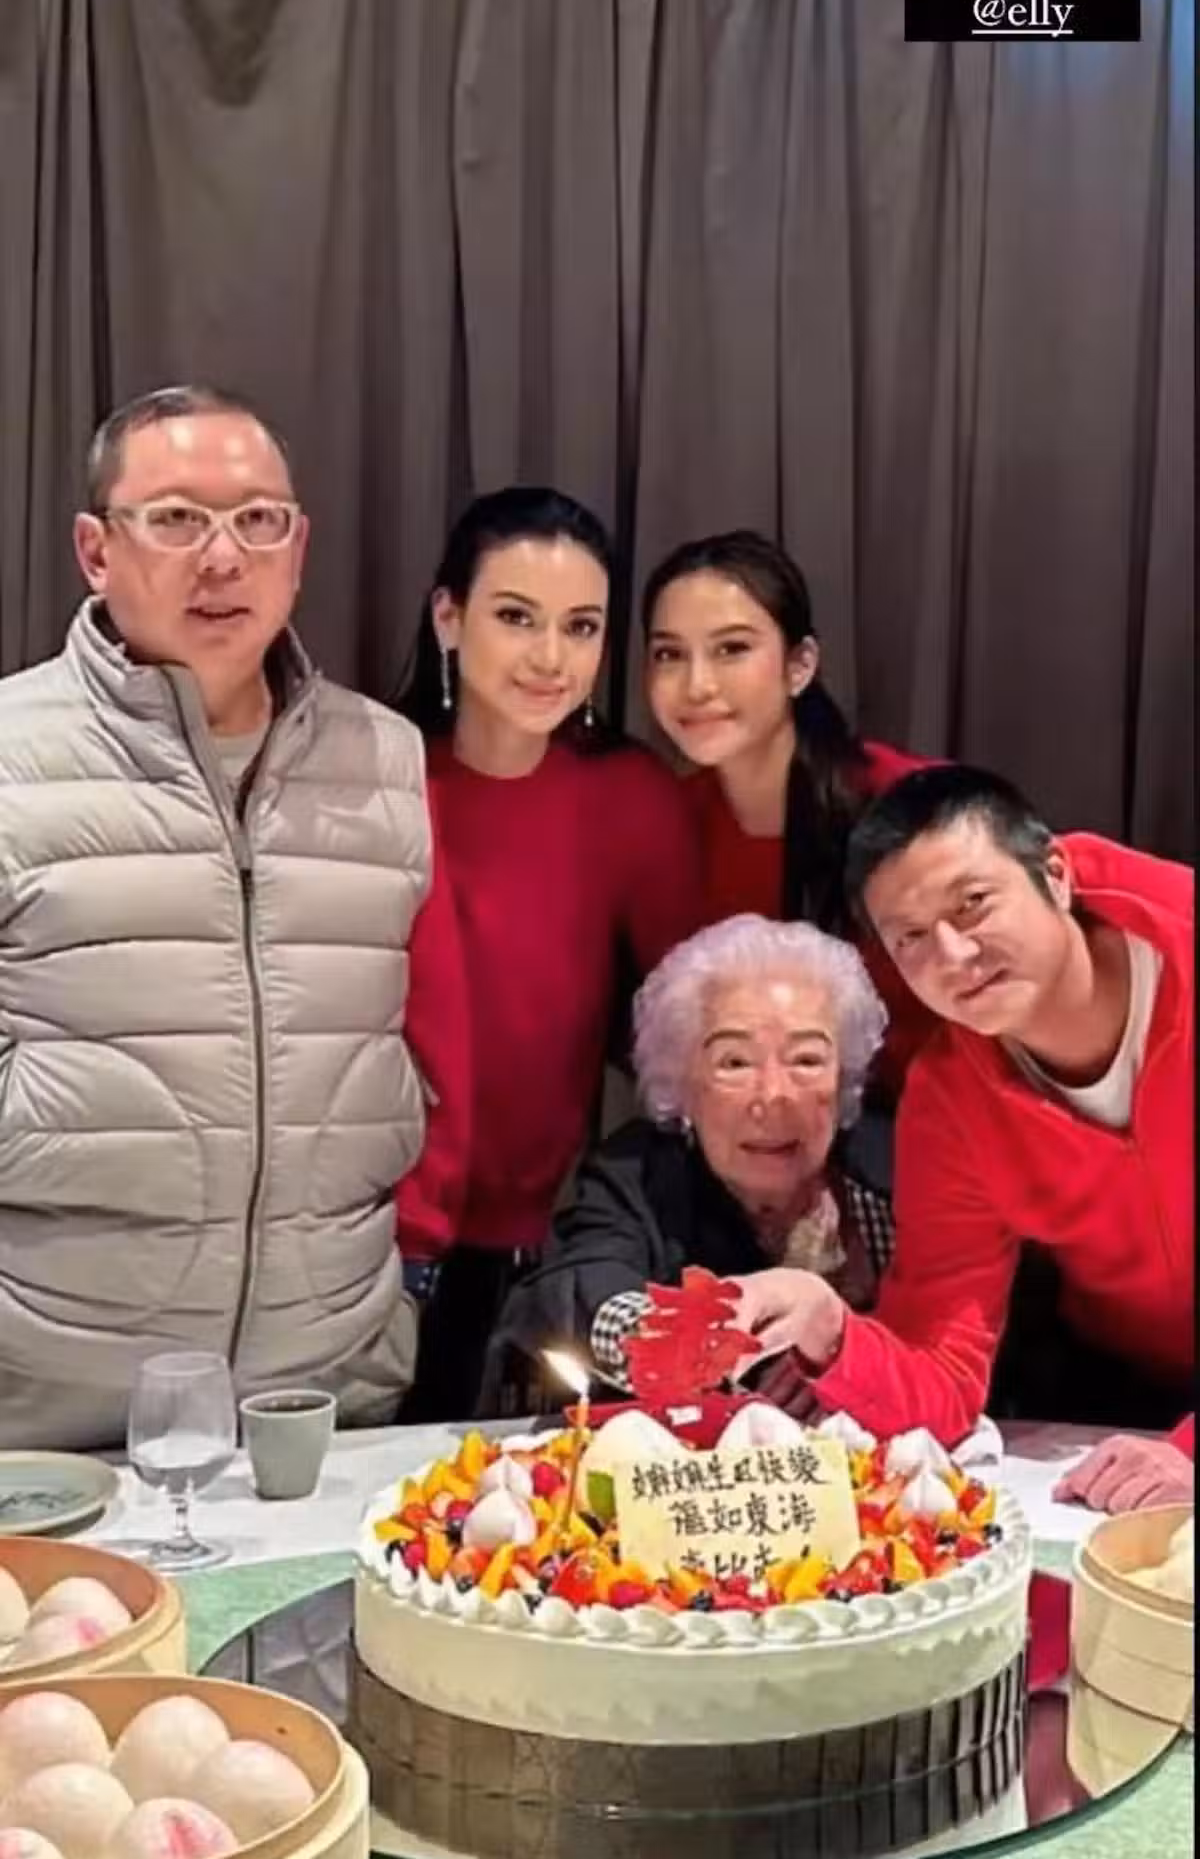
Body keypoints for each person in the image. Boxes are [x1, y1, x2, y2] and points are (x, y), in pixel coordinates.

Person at [0, 385, 469, 1450]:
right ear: (95, 550)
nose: (223, 557)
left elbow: (417, 1041)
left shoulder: (383, 758)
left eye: (258, 520)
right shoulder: (12, 753)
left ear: (297, 548)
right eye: (175, 518)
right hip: (50, 1410)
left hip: (326, 1394)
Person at [727, 765, 1194, 1514]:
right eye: (910, 938)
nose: (952, 955)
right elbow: (942, 1375)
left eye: (973, 905)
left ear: (1055, 875)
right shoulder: (950, 1102)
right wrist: (828, 1325)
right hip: (1128, 1398)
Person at [393, 487, 705, 1418]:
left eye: (581, 627)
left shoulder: (629, 798)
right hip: (357, 1230)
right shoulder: (375, 772)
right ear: (449, 617)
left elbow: (684, 1026)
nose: (550, 658)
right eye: (516, 617)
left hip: (539, 1241)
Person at [487, 914, 890, 1405]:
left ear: (844, 1074)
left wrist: (848, 1356)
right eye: (734, 1063)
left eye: (806, 1060)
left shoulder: (893, 1172)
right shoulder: (639, 1174)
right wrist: (691, 1339)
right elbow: (579, 1287)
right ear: (683, 1082)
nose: (773, 1095)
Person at [642, 531, 935, 1196]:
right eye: (669, 654)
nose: (697, 685)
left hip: (932, 1154)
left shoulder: (907, 808)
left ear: (799, 664)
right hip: (750, 1165)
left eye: (732, 649)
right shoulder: (666, 824)